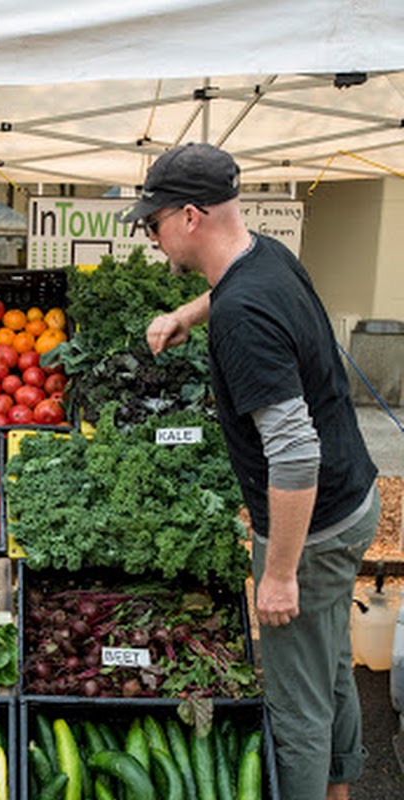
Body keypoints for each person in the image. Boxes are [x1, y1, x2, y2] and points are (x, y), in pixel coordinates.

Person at [127, 143, 379, 800]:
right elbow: (232, 291)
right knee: (329, 670)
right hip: (353, 500)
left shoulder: (242, 316)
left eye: (153, 225)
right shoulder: (265, 258)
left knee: (296, 704)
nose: (152, 240)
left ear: (188, 217)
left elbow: (295, 453)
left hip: (312, 528)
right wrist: (185, 313)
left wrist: (278, 573)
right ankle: (340, 786)